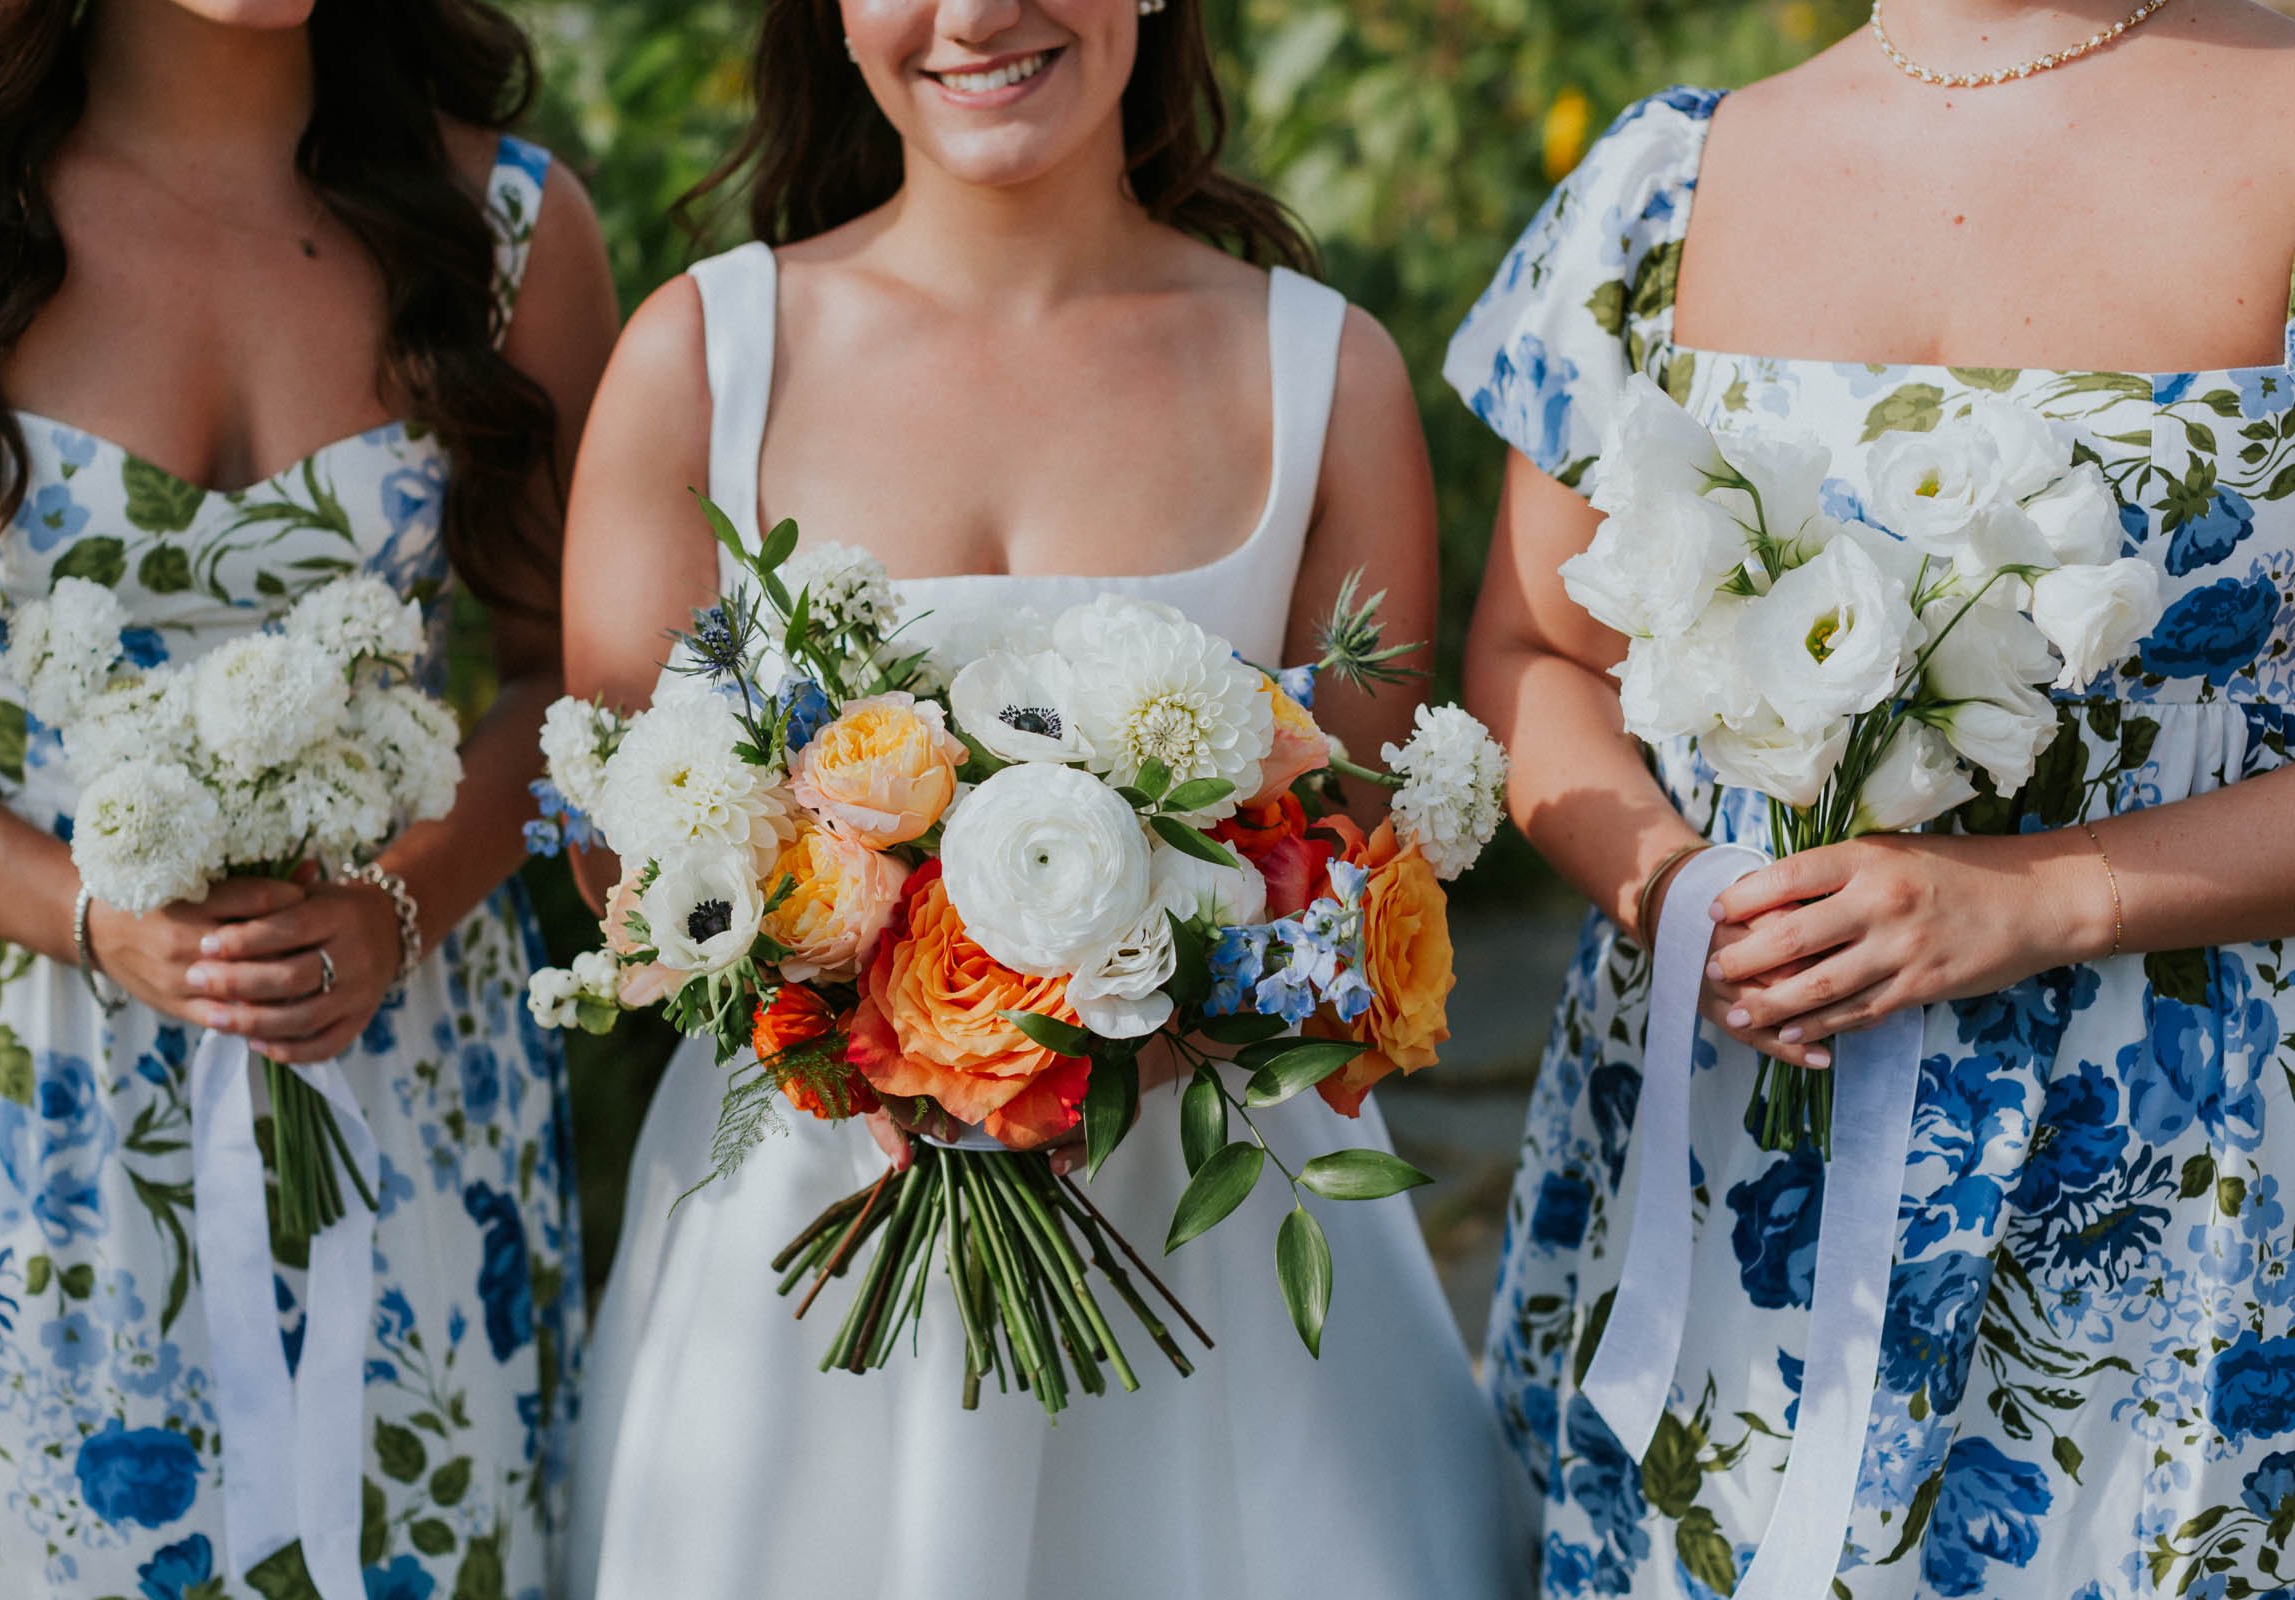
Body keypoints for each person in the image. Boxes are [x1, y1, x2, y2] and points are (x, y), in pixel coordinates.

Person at [561, 2, 1509, 1595]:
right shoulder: (701, 354)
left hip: (1211, 1243)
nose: (981, 12)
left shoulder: (1323, 371)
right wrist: (877, 1014)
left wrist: (1119, 1021)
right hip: (803, 1249)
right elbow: (619, 839)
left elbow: (1355, 865)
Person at [1451, 1, 2295, 1592]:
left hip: (2192, 1192)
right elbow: (1533, 650)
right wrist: (1673, 887)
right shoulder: (1659, 185)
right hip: (1729, 1154)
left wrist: (2046, 894)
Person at [0, 0, 615, 1592]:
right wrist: (85, 913)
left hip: (410, 1079)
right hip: (34, 1119)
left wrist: (399, 905)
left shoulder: (505, 225)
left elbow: (575, 667)